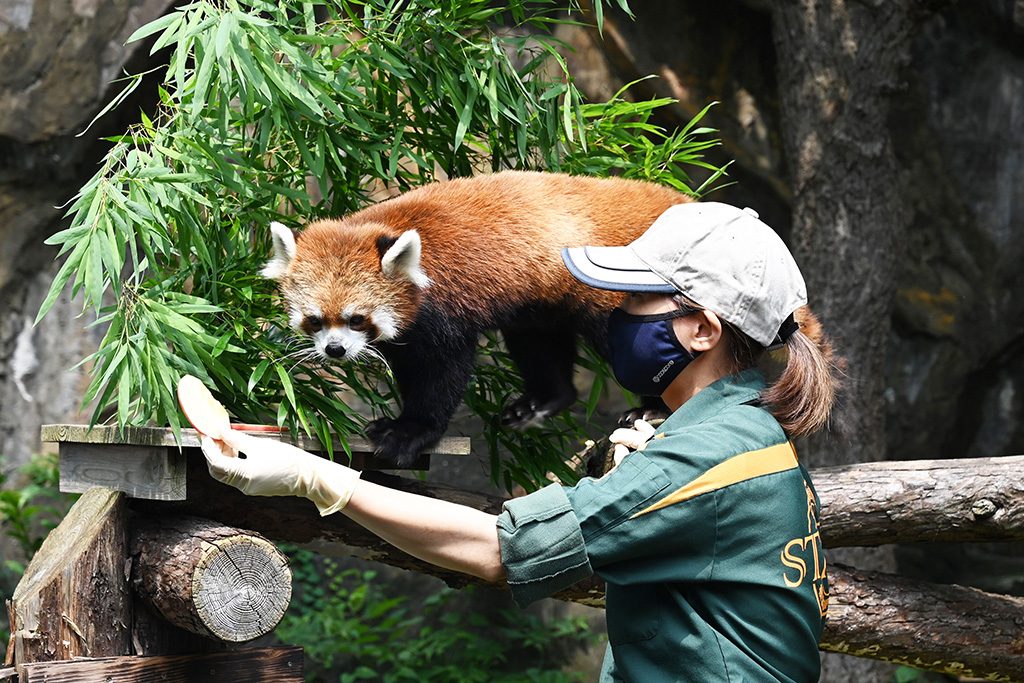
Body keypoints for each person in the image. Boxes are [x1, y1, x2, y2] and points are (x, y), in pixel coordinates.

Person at [200, 201, 838, 682]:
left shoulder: (706, 455)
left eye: (635, 298)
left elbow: (504, 551)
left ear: (701, 329)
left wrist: (315, 478)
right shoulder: (736, 431)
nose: (611, 311)